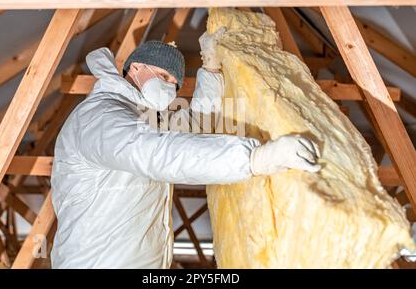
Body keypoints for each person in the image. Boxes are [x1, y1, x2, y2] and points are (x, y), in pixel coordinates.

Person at [50, 28, 321, 268]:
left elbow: (196, 125)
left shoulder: (144, 118)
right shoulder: (100, 116)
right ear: (135, 68)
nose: (170, 88)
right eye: (164, 76)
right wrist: (255, 158)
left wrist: (211, 68)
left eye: (175, 84)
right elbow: (156, 152)